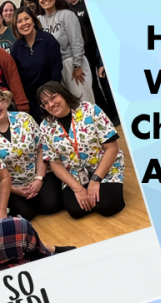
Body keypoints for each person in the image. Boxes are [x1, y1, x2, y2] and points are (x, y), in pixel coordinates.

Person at [39, 82, 125, 219]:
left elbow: (112, 148)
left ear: (64, 94)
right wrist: (77, 188)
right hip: (74, 173)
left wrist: (96, 180)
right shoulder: (45, 126)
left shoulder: (90, 110)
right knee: (76, 211)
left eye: (53, 97)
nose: (51, 104)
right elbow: (55, 163)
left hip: (104, 166)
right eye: (45, 103)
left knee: (107, 206)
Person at [0, 88, 63, 220]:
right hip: (12, 185)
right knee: (25, 215)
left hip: (39, 174)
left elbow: (41, 148)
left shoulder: (24, 119)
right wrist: (13, 189)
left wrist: (39, 179)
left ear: (5, 101)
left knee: (51, 206)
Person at [62, 0, 120, 125]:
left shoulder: (87, 4)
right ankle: (106, 115)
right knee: (92, 85)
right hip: (82, 53)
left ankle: (116, 113)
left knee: (105, 81)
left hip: (97, 50)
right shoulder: (67, 11)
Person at [37, 0, 94, 104]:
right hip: (55, 69)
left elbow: (77, 41)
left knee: (84, 103)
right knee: (67, 105)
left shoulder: (67, 15)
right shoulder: (39, 20)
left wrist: (77, 65)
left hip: (72, 64)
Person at [10, 7, 62, 123]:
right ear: (15, 26)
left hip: (52, 95)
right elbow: (16, 75)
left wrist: (50, 95)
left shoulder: (48, 40)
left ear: (33, 20)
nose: (24, 23)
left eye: (26, 19)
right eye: (19, 21)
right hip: (32, 100)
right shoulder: (16, 47)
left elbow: (56, 69)